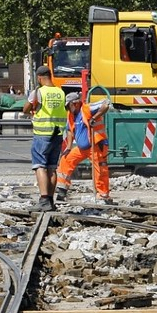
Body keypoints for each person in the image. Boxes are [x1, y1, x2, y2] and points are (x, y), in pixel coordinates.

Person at [55, 90, 112, 203]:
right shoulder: (71, 115)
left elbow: (106, 104)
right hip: (83, 148)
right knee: (66, 160)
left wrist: (94, 117)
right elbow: (70, 130)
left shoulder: (87, 108)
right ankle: (62, 190)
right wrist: (69, 147)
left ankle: (103, 195)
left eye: (68, 106)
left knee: (100, 170)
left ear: (75, 103)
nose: (67, 109)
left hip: (96, 145)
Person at [23, 64, 66, 212]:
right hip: (58, 134)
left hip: (43, 134)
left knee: (40, 166)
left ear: (39, 78)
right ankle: (50, 201)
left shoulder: (39, 92)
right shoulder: (60, 92)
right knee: (52, 168)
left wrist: (32, 109)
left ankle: (43, 199)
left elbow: (26, 109)